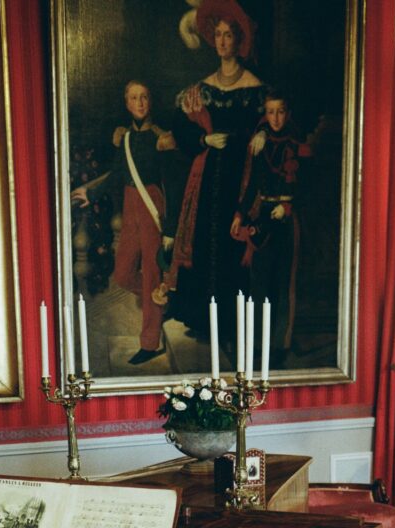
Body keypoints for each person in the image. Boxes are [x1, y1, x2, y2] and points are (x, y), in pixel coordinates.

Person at [155, 0, 264, 350]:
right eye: (217, 34)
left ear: (238, 40)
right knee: (204, 243)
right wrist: (204, 138)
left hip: (239, 177)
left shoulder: (254, 88)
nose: (221, 41)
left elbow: (270, 123)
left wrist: (261, 132)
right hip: (206, 181)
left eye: (228, 35)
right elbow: (181, 130)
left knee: (233, 249)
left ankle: (232, 324)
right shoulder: (201, 89)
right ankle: (202, 319)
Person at [71, 80, 177, 365]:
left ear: (150, 101)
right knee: (122, 274)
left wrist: (170, 229)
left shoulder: (162, 138)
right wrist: (89, 192)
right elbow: (117, 175)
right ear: (127, 103)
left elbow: (174, 185)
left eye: (144, 97)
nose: (140, 103)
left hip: (153, 206)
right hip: (130, 208)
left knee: (153, 274)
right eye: (134, 98)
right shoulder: (126, 138)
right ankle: (164, 299)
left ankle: (150, 343)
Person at [230, 89, 311, 367]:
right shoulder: (260, 141)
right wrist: (240, 214)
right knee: (258, 284)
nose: (275, 118)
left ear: (287, 113)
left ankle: (280, 344)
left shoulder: (299, 142)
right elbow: (252, 183)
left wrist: (288, 207)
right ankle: (255, 343)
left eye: (280, 111)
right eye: (270, 112)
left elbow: (309, 187)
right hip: (263, 216)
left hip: (288, 219)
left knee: (282, 286)